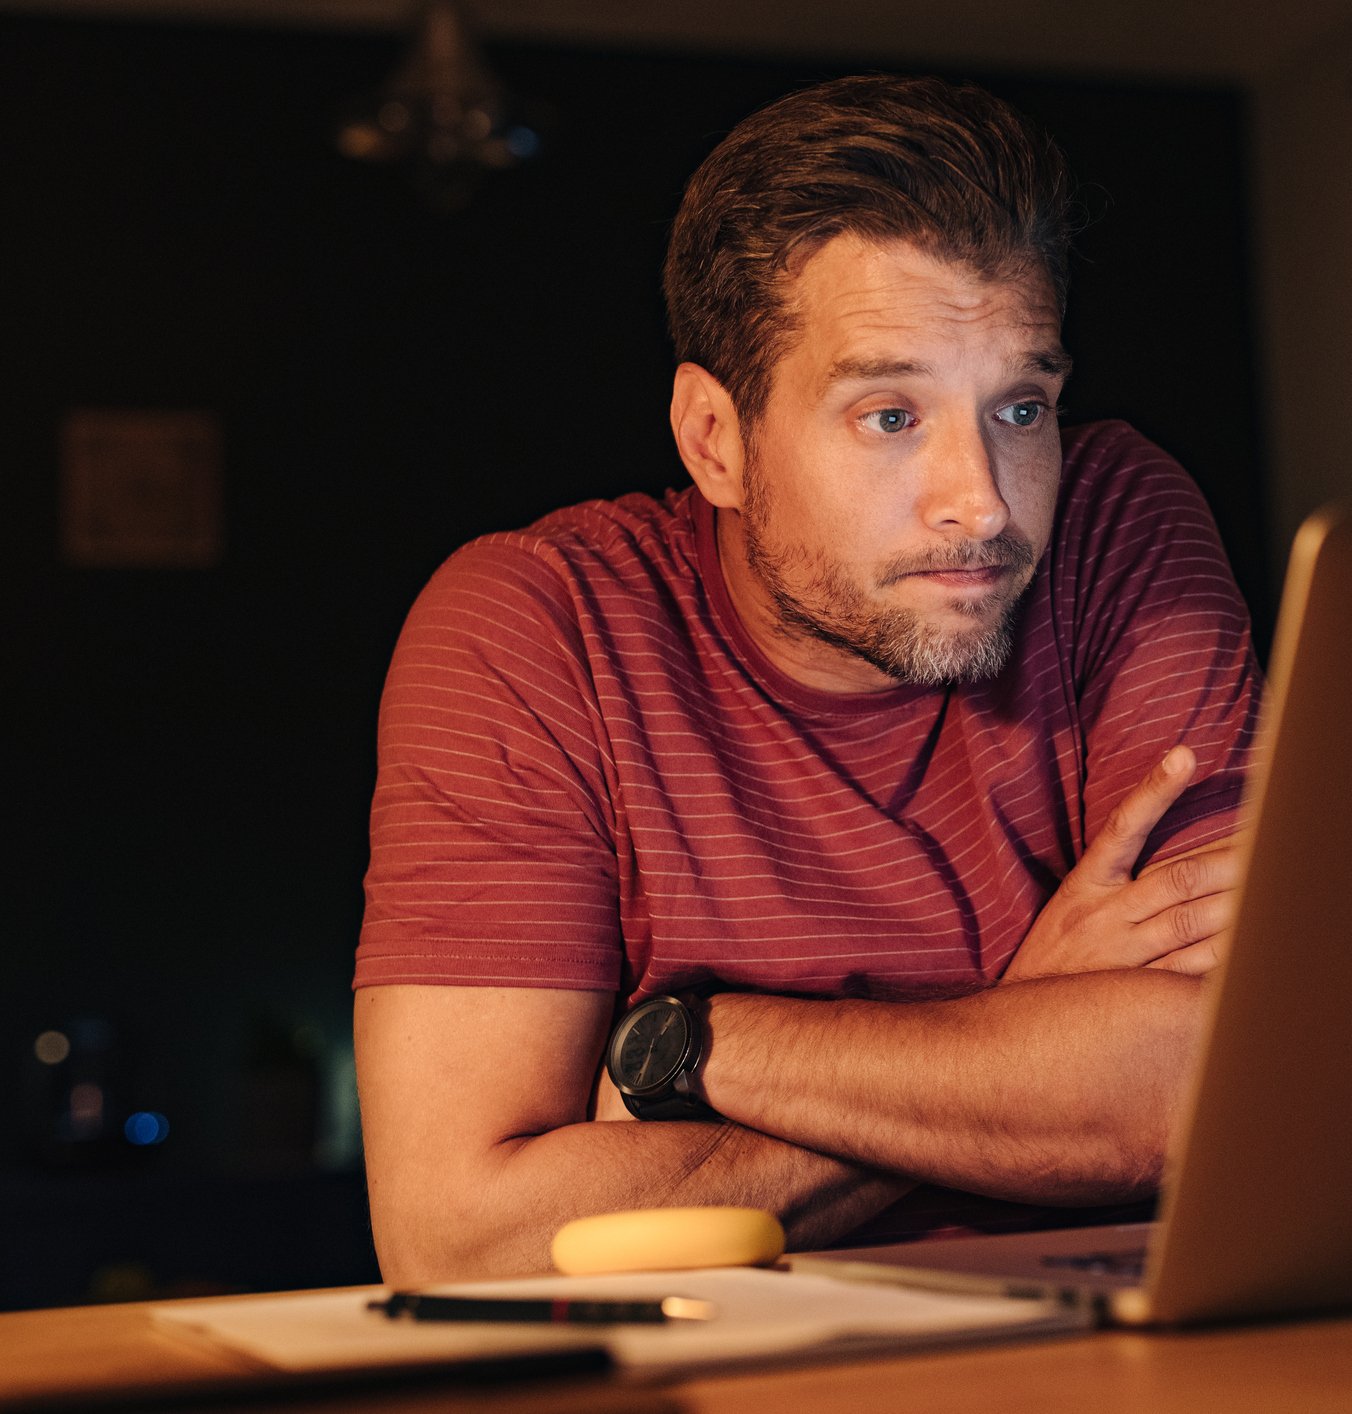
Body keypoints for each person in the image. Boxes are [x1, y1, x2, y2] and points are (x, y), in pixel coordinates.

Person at [352, 74, 1261, 1283]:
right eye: (890, 415)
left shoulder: (1117, 528)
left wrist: (690, 1051)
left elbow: (1213, 1083)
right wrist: (1024, 1018)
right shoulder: (538, 624)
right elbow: (464, 1236)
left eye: (1022, 405)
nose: (982, 499)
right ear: (714, 439)